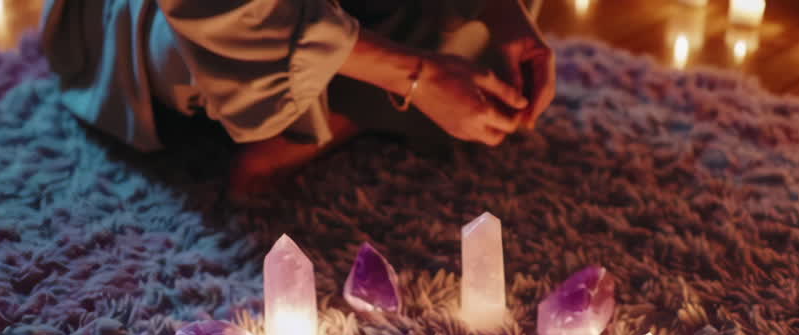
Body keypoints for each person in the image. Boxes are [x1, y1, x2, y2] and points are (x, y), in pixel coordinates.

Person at [40, 0, 555, 193]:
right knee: (200, 59)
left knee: (489, 55)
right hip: (198, 21)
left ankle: (337, 109)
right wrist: (419, 76)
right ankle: (353, 98)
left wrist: (499, 7)